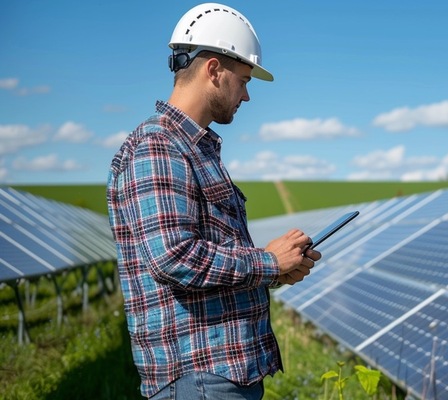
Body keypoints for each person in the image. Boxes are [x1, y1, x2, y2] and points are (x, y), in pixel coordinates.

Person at [106, 3, 320, 398]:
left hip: (217, 374)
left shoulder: (191, 148)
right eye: (243, 79)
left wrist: (272, 273)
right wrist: (268, 261)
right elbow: (175, 258)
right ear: (213, 71)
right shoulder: (159, 146)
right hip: (201, 377)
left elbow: (205, 265)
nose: (247, 95)